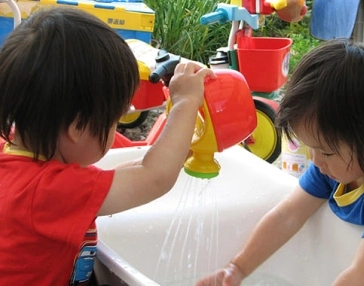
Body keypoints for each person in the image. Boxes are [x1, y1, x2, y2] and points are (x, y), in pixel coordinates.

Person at [196, 39, 364, 286]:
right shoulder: (340, 165)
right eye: (310, 148)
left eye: (326, 152)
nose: (315, 161)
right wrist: (237, 268)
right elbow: (287, 216)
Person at [0, 6, 215, 285]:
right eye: (114, 121)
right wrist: (186, 102)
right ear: (77, 128)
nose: (115, 130)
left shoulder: (21, 162)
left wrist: (181, 145)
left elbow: (126, 176)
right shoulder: (46, 193)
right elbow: (154, 177)